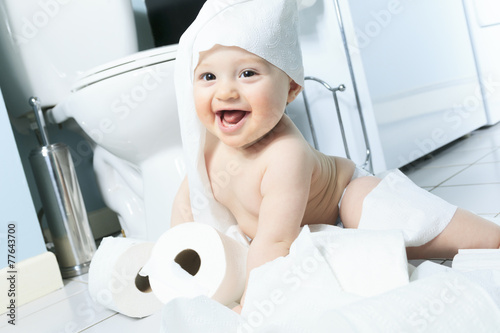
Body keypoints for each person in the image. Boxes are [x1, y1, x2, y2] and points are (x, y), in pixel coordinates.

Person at [170, 0, 500, 313]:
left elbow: (275, 240)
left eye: (248, 74)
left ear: (291, 88)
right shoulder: (207, 149)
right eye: (208, 77)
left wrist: (251, 303)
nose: (226, 91)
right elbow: (189, 205)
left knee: (392, 223)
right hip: (298, 233)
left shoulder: (285, 154)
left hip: (343, 199)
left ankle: (492, 236)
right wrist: (172, 261)